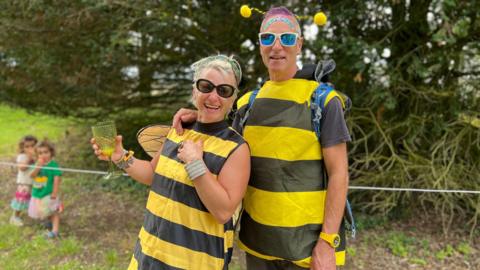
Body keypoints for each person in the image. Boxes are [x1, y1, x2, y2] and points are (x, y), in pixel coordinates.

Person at [173, 6, 350, 270]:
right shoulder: (247, 104)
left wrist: (327, 242)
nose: (276, 46)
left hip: (308, 254)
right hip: (257, 249)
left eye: (287, 38)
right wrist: (197, 116)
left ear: (299, 44)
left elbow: (339, 173)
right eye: (268, 38)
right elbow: (223, 148)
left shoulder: (322, 101)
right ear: (260, 44)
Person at [91, 55, 250, 270]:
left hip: (192, 264)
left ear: (232, 99)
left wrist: (196, 164)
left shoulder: (236, 148)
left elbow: (223, 211)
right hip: (148, 255)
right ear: (194, 89)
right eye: (206, 86)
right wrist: (121, 156)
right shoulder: (178, 131)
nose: (214, 97)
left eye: (224, 90)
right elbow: (151, 174)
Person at [28, 140, 63, 238]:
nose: (43, 155)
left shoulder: (53, 165)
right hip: (38, 192)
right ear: (37, 154)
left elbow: (57, 179)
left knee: (53, 211)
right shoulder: (37, 164)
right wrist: (38, 167)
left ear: (51, 152)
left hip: (49, 193)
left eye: (46, 152)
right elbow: (32, 175)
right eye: (40, 153)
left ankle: (55, 231)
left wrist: (54, 193)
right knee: (42, 210)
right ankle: (49, 222)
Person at [9, 135, 38, 226]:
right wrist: (29, 158)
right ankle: (15, 217)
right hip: (24, 183)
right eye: (27, 146)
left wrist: (37, 158)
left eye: (33, 146)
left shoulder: (38, 157)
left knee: (36, 199)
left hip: (35, 182)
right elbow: (22, 168)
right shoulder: (22, 157)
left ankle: (37, 215)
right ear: (22, 148)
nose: (30, 148)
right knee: (21, 199)